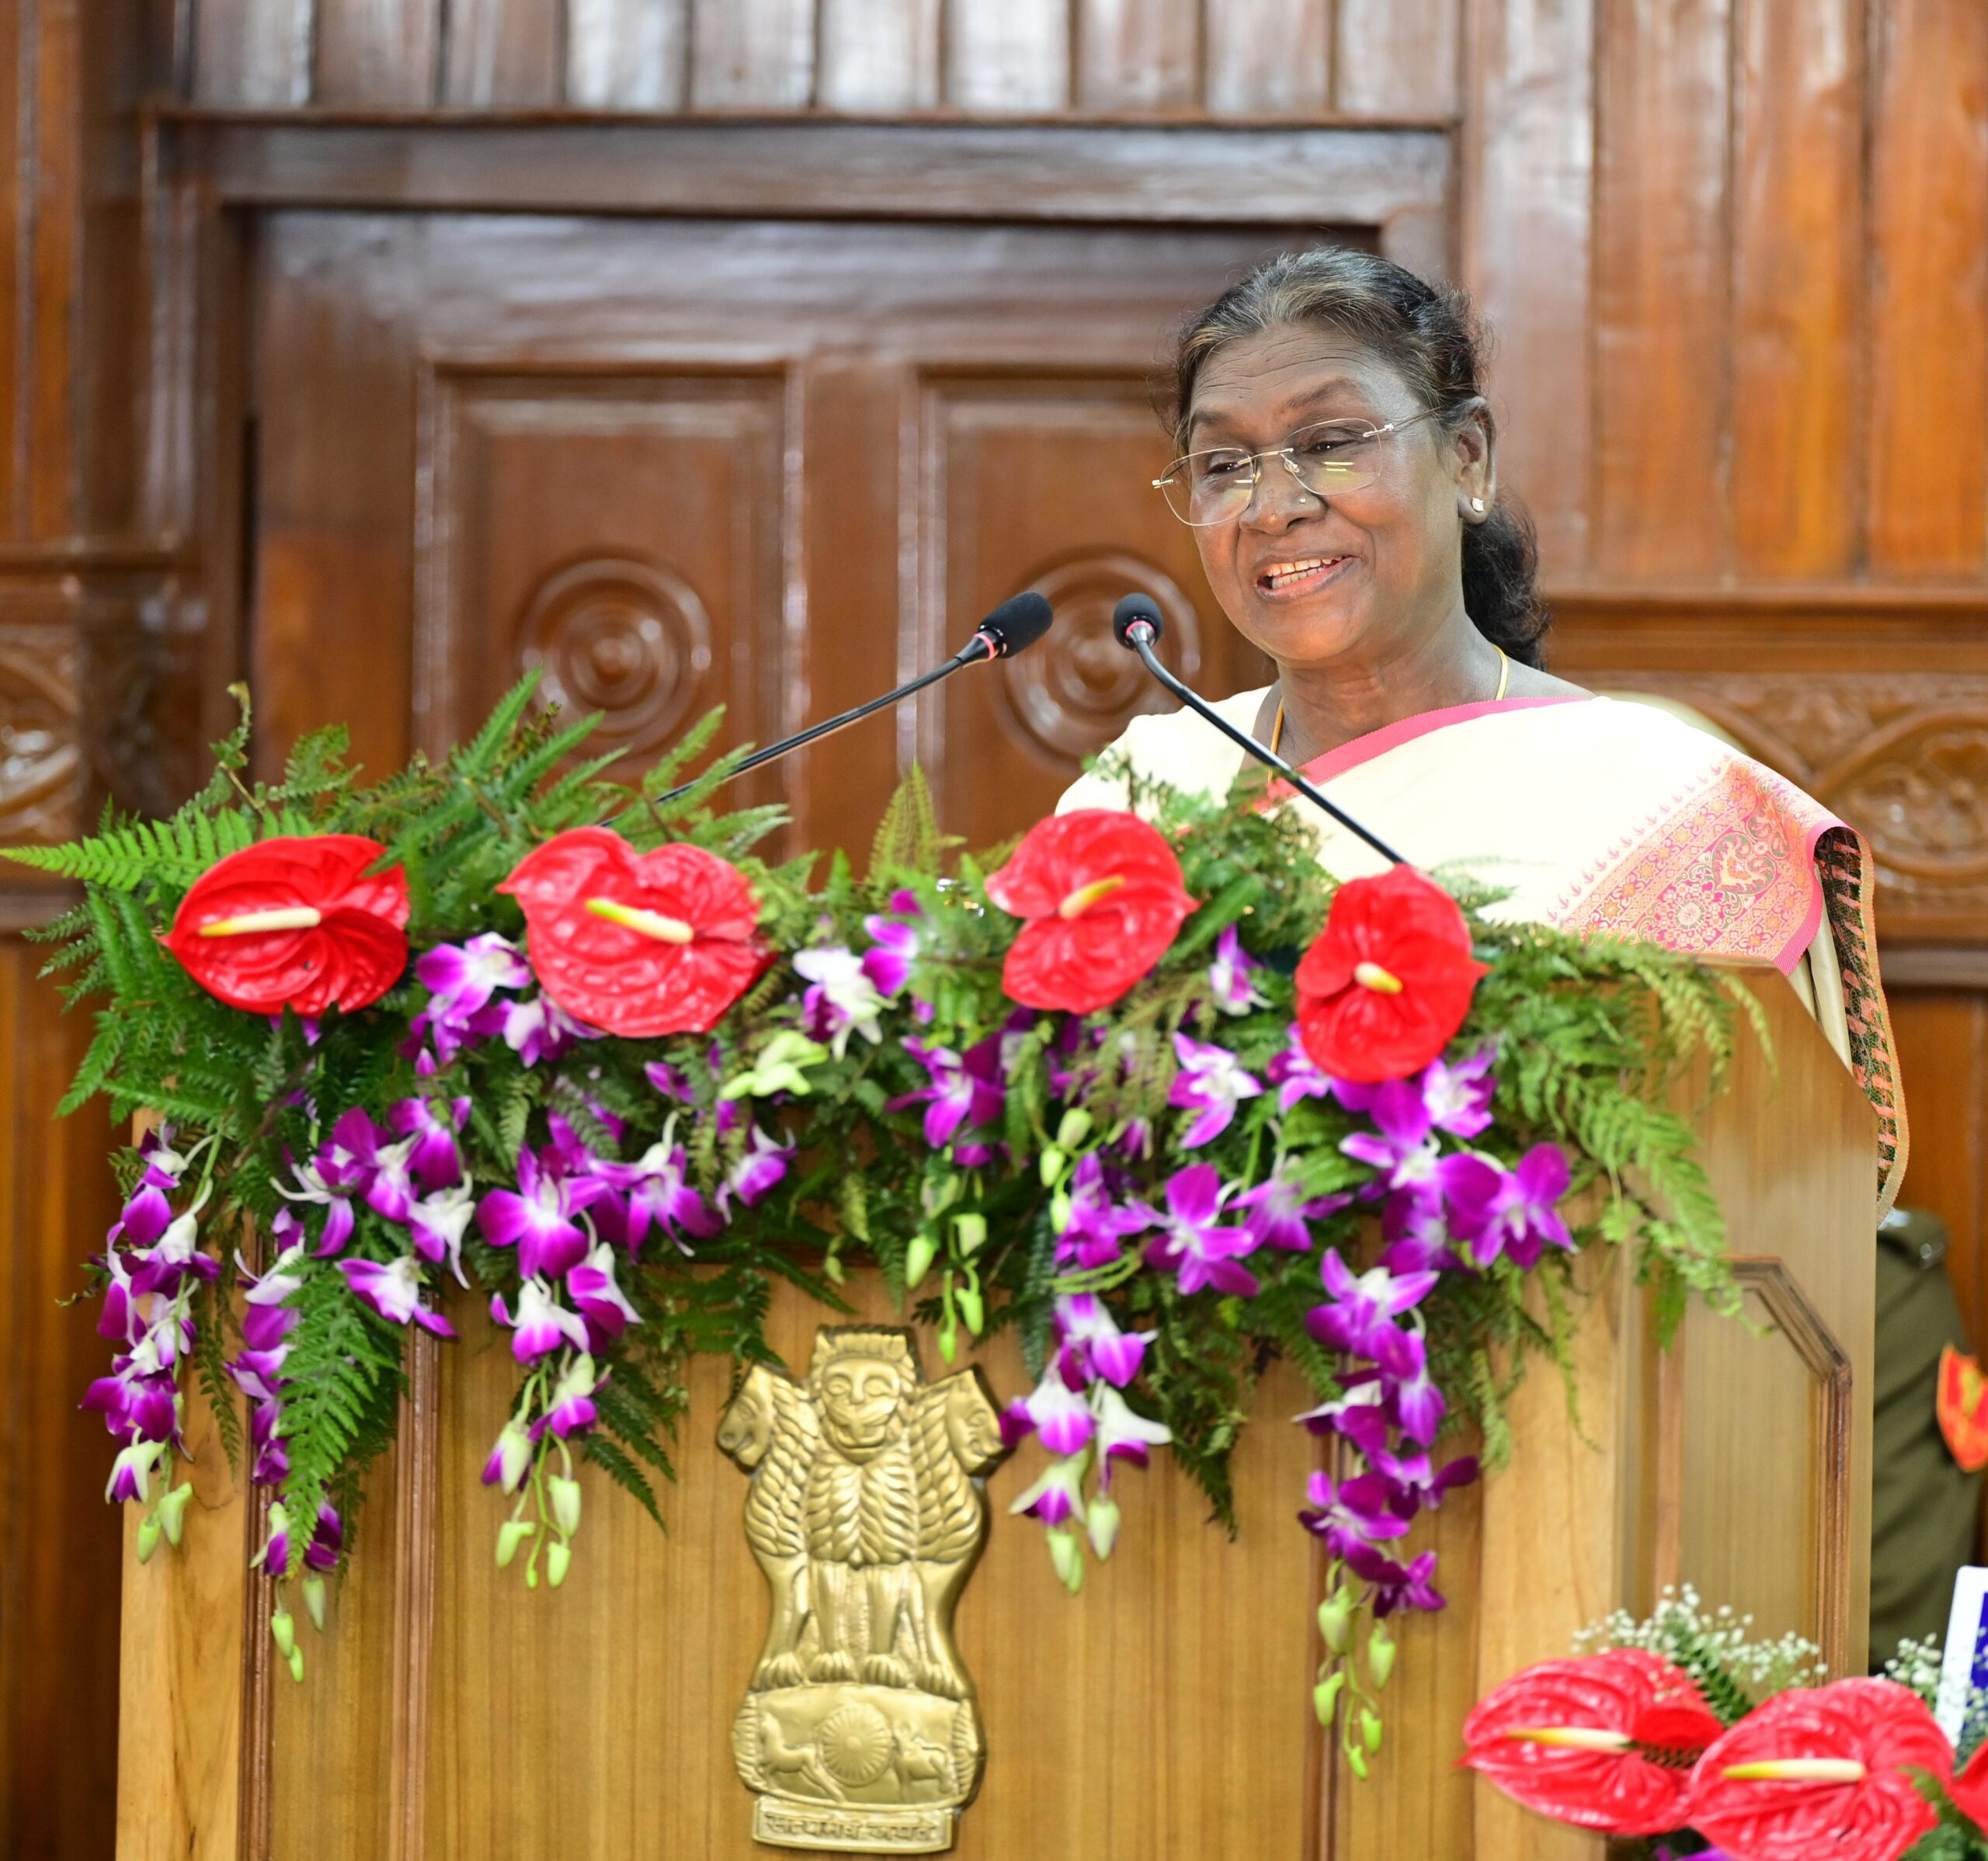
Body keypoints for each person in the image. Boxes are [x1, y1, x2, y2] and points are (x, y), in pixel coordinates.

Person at [1059, 248, 1904, 1213]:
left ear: (1467, 461)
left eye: (1330, 441)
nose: (1276, 506)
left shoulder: (1667, 802)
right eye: (1224, 466)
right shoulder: (1141, 793)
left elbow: (1779, 1213)